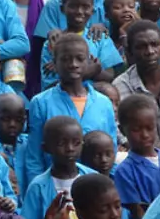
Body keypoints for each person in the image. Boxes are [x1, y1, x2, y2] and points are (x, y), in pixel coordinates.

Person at [26, 34, 117, 186]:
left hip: (95, 188)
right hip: (56, 186)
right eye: (65, 59)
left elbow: (111, 149)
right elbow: (34, 156)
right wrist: (38, 191)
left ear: (88, 61)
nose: (73, 64)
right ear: (55, 63)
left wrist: (110, 186)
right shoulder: (41, 102)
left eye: (80, 59)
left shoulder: (104, 103)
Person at [113, 94, 160, 219]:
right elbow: (137, 213)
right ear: (122, 130)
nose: (145, 135)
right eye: (136, 130)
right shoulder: (125, 171)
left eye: (150, 128)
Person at [39, 0, 123, 90]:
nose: (79, 11)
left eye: (85, 7)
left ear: (92, 10)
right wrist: (88, 71)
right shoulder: (52, 43)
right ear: (62, 9)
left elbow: (111, 76)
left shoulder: (100, 37)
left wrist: (95, 71)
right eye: (73, 6)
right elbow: (48, 86)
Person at [20, 116, 94, 219]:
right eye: (61, 144)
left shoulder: (93, 178)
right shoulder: (38, 187)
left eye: (76, 143)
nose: (70, 148)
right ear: (46, 148)